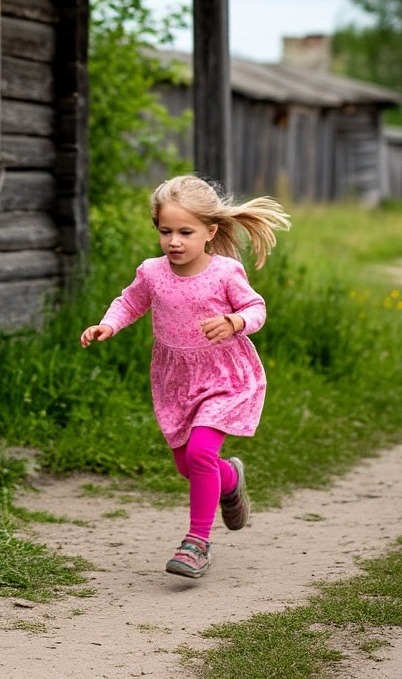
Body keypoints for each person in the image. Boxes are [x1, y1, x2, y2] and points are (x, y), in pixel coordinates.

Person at [80, 174, 290, 580]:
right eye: (166, 231)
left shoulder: (225, 272)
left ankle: (196, 543)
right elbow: (130, 302)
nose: (174, 241)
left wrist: (234, 321)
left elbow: (256, 309)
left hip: (224, 376)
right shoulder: (152, 272)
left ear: (210, 231)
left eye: (185, 232)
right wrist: (108, 324)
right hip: (175, 380)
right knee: (188, 466)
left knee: (200, 455)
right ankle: (231, 479)